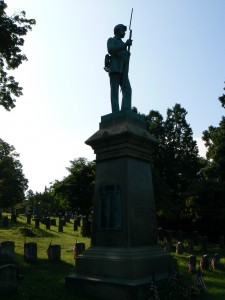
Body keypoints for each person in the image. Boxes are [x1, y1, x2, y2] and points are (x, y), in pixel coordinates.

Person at [105, 24, 132, 113]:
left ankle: (125, 109)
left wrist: (127, 55)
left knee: (127, 89)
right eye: (123, 30)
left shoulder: (123, 43)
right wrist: (125, 45)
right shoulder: (111, 40)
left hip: (123, 71)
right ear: (117, 31)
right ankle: (115, 112)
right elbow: (111, 49)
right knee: (114, 92)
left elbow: (125, 58)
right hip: (115, 69)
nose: (124, 32)